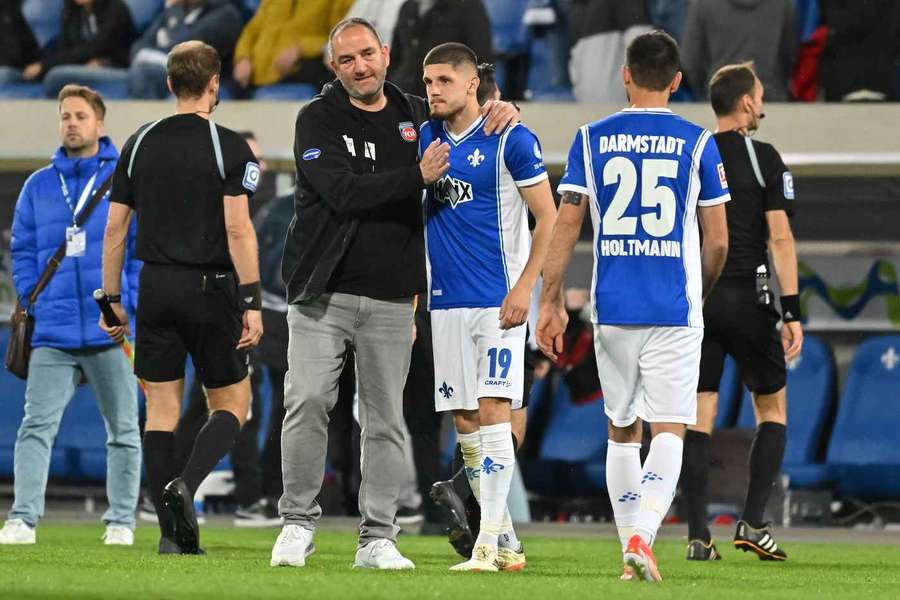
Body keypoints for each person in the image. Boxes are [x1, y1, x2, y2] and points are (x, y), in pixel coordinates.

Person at [270, 17, 518, 570]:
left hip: (389, 300)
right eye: (346, 60)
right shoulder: (317, 118)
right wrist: (415, 178)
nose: (359, 66)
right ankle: (296, 523)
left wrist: (504, 109)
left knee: (386, 420)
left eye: (366, 55)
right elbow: (341, 192)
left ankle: (378, 537)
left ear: (384, 53)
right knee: (306, 401)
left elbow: (466, 114)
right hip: (322, 292)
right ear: (334, 68)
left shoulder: (411, 112)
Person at [536, 31, 730, 583]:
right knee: (669, 428)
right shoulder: (698, 143)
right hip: (673, 306)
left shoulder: (590, 138)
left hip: (613, 308)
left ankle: (631, 549)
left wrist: (550, 301)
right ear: (676, 80)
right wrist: (703, 287)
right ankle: (643, 537)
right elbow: (717, 241)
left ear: (625, 75)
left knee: (622, 431)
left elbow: (567, 223)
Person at [100, 41, 263, 555]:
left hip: (155, 286)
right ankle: (185, 487)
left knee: (161, 411)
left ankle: (172, 537)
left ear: (170, 84)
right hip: (211, 288)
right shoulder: (230, 146)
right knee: (235, 403)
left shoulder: (139, 141)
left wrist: (111, 301)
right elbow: (238, 230)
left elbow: (114, 231)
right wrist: (253, 301)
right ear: (215, 83)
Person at [419, 43, 557, 572]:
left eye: (444, 81)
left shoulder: (511, 138)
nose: (433, 90)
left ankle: (485, 544)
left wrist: (526, 288)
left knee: (497, 410)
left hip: (497, 302)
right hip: (445, 303)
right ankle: (504, 540)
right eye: (428, 82)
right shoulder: (426, 138)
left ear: (472, 84)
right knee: (466, 419)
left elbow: (546, 217)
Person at [0, 85, 141, 546]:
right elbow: (20, 249)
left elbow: (138, 249)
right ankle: (22, 519)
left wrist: (127, 300)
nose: (72, 123)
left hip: (110, 329)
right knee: (35, 427)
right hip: (54, 331)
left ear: (99, 123)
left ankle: (121, 520)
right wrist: (32, 296)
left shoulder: (124, 177)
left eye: (80, 116)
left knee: (122, 431)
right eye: (65, 116)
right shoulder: (39, 184)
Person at [681, 62, 803, 562]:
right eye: (759, 95)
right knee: (771, 409)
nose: (762, 103)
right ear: (747, 103)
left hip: (701, 300)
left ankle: (696, 536)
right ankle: (753, 522)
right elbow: (779, 237)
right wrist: (791, 309)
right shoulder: (764, 157)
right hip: (751, 301)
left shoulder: (694, 153)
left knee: (697, 416)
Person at [681, 0, 796, 101]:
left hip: (719, 103)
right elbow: (789, 56)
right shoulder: (782, 3)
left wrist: (707, 90)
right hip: (770, 100)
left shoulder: (702, 4)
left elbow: (690, 62)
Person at [128, 0, 243, 99]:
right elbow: (137, 48)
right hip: (172, 76)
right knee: (116, 78)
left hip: (205, 83)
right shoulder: (173, 13)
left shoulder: (225, 14)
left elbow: (182, 45)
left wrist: (173, 10)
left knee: (144, 73)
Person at [231, 0, 354, 93]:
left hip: (297, 76)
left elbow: (342, 36)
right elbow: (251, 30)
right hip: (251, 79)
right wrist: (242, 58)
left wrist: (300, 49)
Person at [23, 0, 137, 98]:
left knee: (56, 77)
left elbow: (98, 47)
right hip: (82, 66)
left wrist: (45, 65)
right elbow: (65, 48)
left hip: (118, 68)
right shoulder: (73, 12)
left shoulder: (116, 9)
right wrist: (42, 65)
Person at [389, 0, 493, 98]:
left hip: (445, 100)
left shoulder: (469, 7)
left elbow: (481, 61)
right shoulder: (408, 7)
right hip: (404, 97)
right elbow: (394, 58)